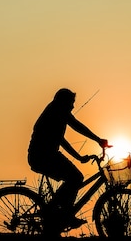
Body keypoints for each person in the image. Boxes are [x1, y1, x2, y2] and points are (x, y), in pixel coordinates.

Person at [27, 88, 108, 228]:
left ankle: (56, 212)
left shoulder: (55, 111)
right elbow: (76, 127)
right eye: (71, 102)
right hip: (42, 156)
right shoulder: (57, 111)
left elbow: (62, 139)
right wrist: (97, 140)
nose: (73, 106)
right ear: (63, 102)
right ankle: (64, 214)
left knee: (73, 178)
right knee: (75, 177)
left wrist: (81, 155)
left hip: (44, 155)